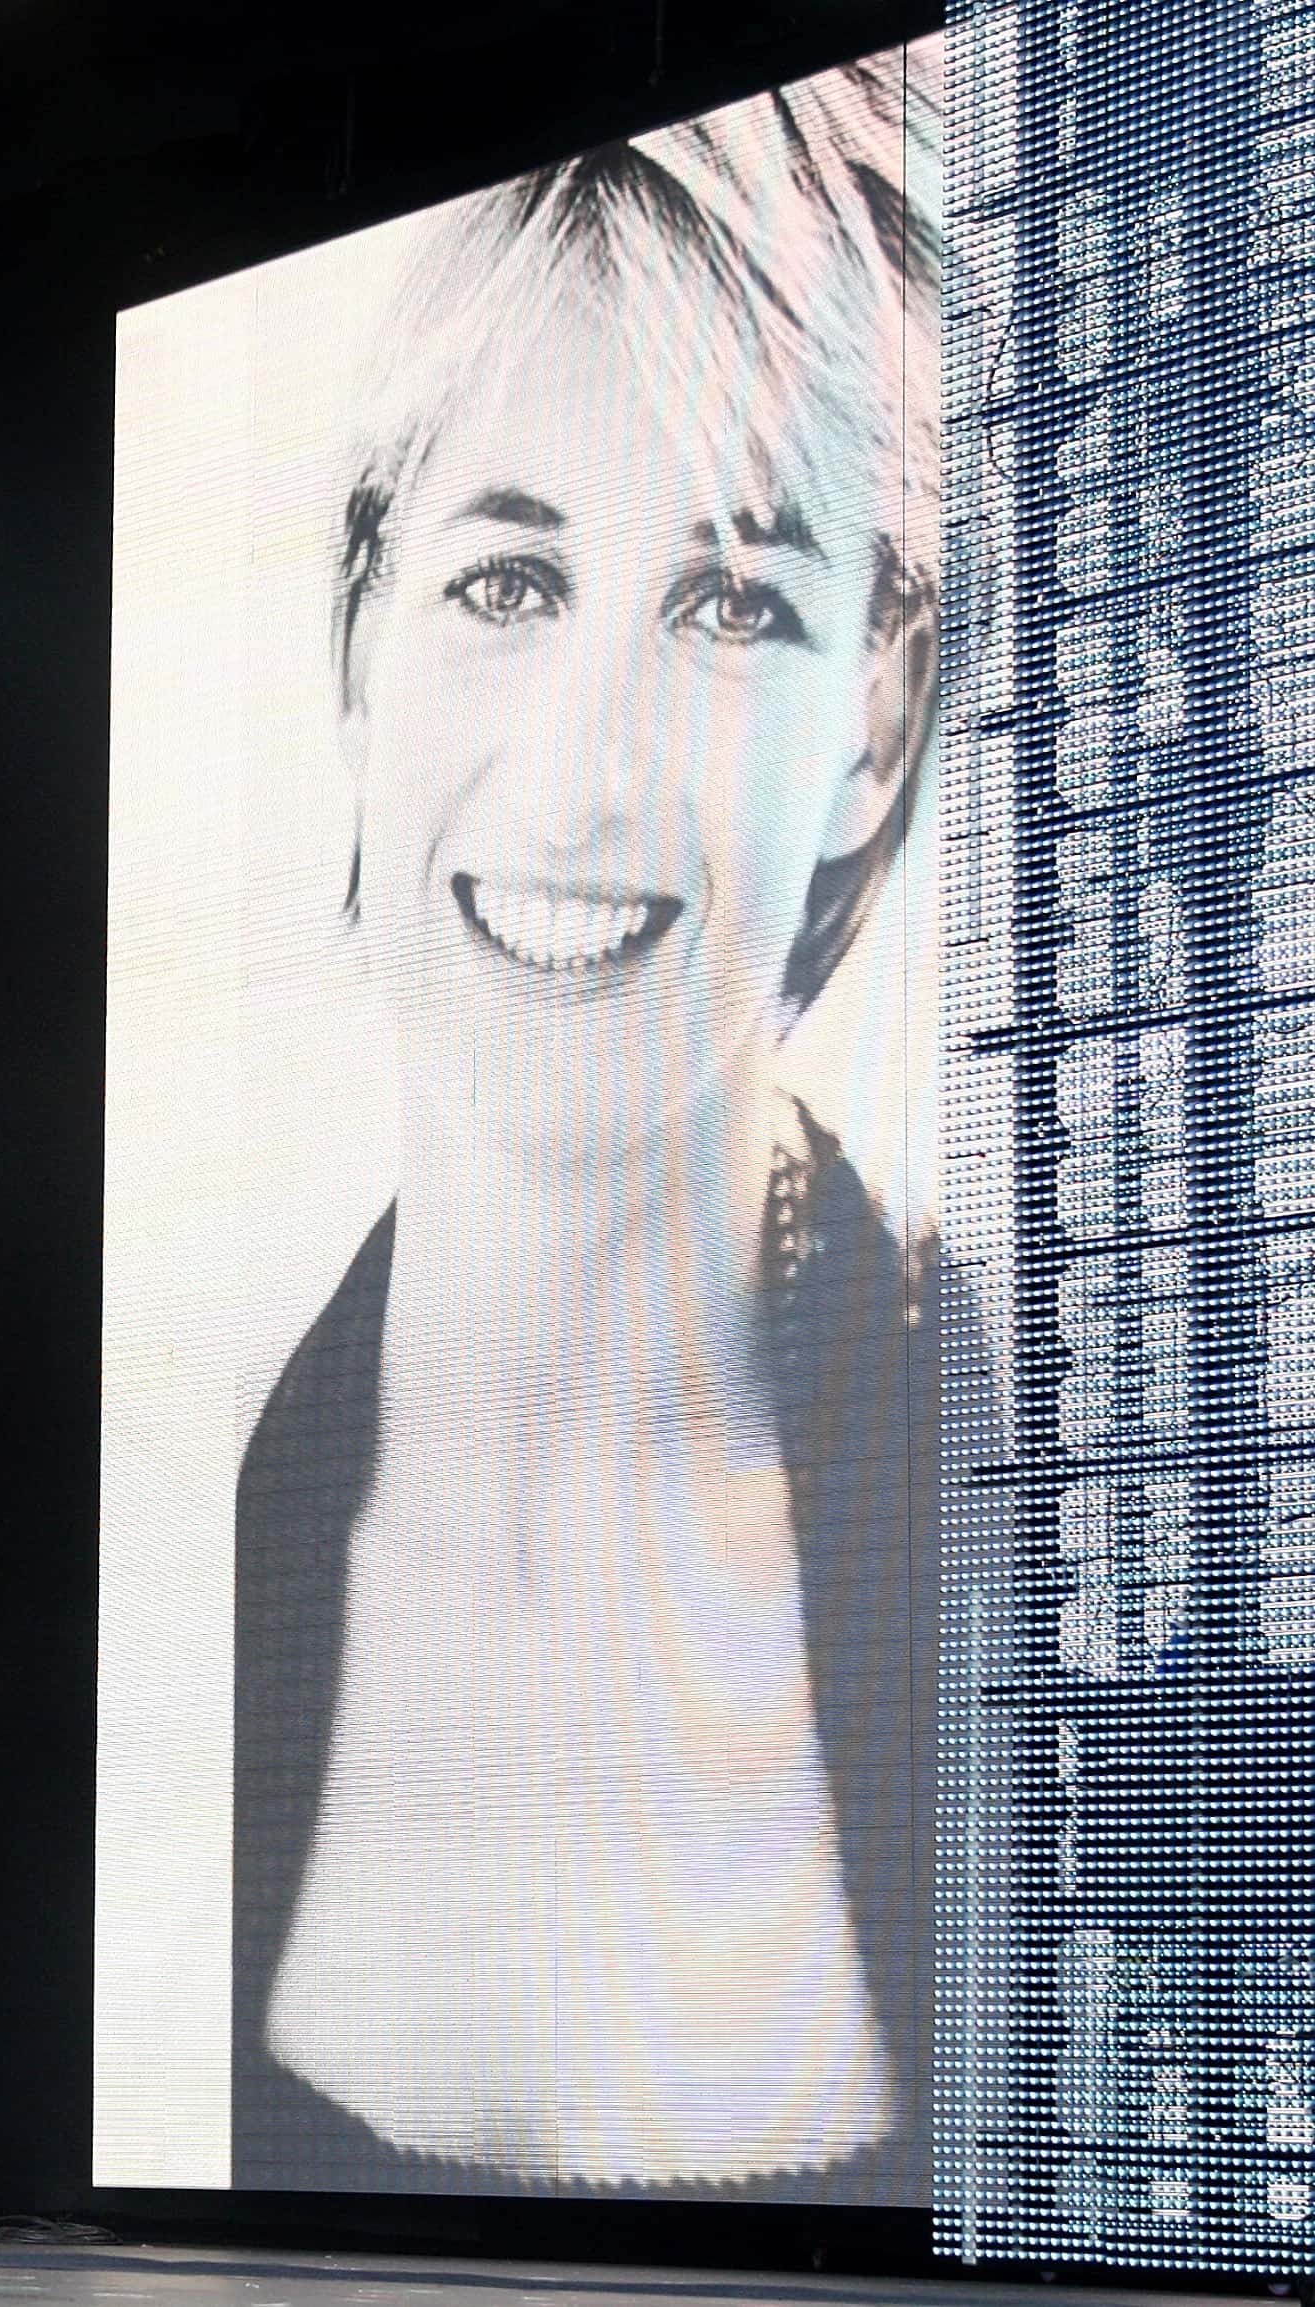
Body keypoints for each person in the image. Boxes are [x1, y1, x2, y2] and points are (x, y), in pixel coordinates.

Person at [232, 48, 942, 2194]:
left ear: (874, 720)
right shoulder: (217, 1510)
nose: (582, 774)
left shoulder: (1020, 1542)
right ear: (358, 644)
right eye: (509, 582)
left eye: (731, 605)